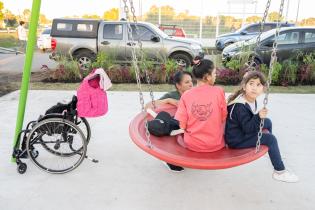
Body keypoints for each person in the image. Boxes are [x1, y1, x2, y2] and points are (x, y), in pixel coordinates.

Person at [225, 71, 299, 183]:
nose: (254, 87)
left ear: (262, 88)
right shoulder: (239, 106)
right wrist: (258, 116)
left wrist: (259, 118)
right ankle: (280, 172)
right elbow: (248, 128)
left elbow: (249, 122)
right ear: (244, 87)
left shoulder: (250, 99)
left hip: (243, 131)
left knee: (267, 122)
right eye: (251, 83)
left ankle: (272, 152)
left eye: (258, 85)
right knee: (270, 139)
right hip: (236, 140)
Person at [174, 59, 227, 153]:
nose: (216, 76)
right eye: (214, 73)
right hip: (215, 143)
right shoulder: (219, 91)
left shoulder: (186, 95)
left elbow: (182, 124)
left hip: (192, 144)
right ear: (207, 77)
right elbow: (223, 116)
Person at [146, 70, 193, 172]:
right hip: (173, 126)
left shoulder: (194, 94)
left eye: (191, 81)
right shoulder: (172, 95)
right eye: (187, 82)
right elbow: (148, 106)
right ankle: (168, 158)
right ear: (178, 85)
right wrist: (168, 101)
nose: (191, 84)